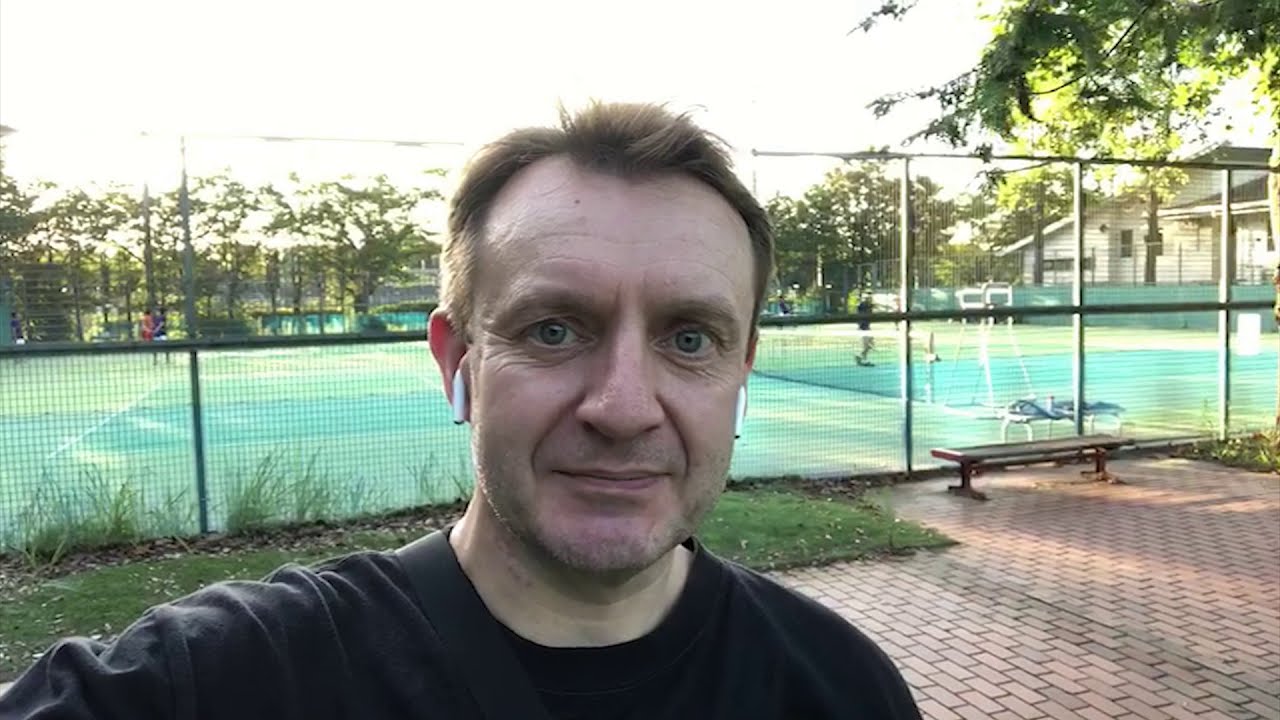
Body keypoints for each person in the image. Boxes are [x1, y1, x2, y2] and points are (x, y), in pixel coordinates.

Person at [0, 101, 923, 720]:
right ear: (458, 360)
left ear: (741, 369)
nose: (623, 408)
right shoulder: (234, 677)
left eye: (689, 339)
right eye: (554, 329)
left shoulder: (839, 688)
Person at [855, 292, 875, 366]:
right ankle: (862, 359)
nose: (871, 299)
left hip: (867, 327)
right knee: (866, 345)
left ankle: (860, 357)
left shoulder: (869, 306)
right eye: (869, 298)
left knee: (871, 344)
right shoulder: (863, 305)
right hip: (863, 328)